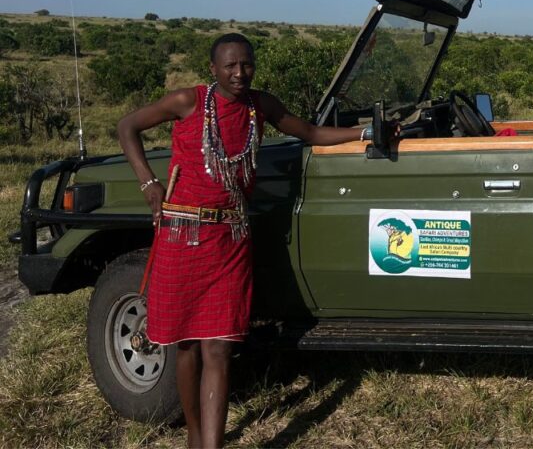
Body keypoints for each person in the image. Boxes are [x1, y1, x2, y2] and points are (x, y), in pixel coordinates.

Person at [118, 33, 384, 449]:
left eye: (246, 64)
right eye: (230, 66)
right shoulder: (188, 101)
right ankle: (194, 434)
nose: (240, 73)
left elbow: (309, 132)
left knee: (220, 349)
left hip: (229, 240)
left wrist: (366, 131)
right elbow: (127, 126)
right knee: (186, 346)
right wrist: (148, 183)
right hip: (182, 236)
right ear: (213, 69)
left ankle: (212, 445)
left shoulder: (261, 106)